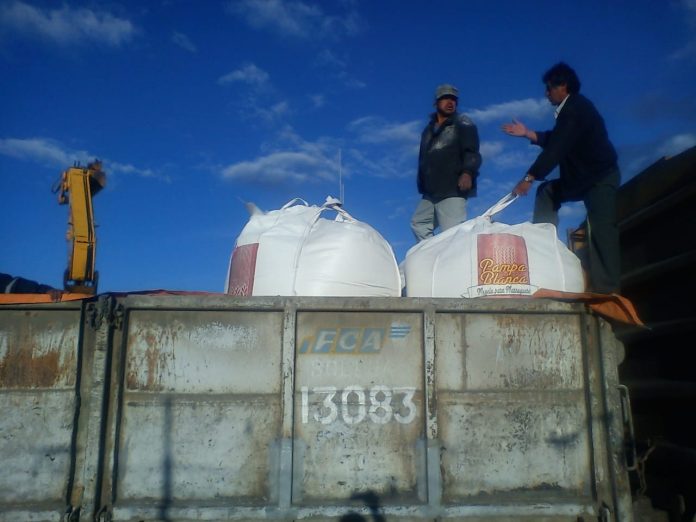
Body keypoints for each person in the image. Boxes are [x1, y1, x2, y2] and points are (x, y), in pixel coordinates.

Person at [501, 62, 621, 294]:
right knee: (547, 192)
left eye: (549, 88)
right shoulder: (568, 112)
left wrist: (529, 177)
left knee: (600, 229)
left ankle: (607, 290)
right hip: (579, 179)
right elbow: (555, 138)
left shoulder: (576, 109)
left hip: (599, 177)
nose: (546, 93)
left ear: (563, 86)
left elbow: (556, 149)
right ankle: (544, 252)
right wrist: (528, 133)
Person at [411, 84, 481, 241]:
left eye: (453, 99)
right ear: (436, 102)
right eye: (445, 99)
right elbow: (423, 158)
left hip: (453, 189)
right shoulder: (428, 131)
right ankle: (433, 255)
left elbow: (472, 151)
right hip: (430, 192)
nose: (450, 103)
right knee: (418, 223)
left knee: (453, 234)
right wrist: (422, 185)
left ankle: (454, 263)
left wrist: (467, 172)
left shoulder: (464, 123)